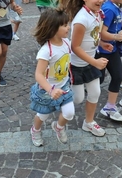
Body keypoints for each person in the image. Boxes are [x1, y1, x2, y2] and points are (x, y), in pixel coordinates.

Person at [60, 0, 108, 137]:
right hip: (76, 65)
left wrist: (101, 44)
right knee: (78, 98)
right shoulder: (81, 19)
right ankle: (58, 100)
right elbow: (75, 47)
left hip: (91, 62)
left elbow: (93, 36)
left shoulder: (97, 14)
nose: (100, 0)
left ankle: (89, 122)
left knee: (95, 92)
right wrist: (94, 61)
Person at [29, 8, 74, 146]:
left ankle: (58, 127)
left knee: (69, 113)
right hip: (47, 91)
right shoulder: (46, 51)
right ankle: (35, 130)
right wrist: (51, 89)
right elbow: (38, 74)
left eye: (68, 24)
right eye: (65, 25)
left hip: (64, 87)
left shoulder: (66, 42)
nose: (68, 27)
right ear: (53, 28)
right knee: (43, 115)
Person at [97, 0, 122, 121]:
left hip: (112, 49)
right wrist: (116, 37)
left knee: (117, 76)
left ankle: (110, 107)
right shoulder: (108, 9)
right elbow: (101, 32)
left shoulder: (116, 7)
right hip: (101, 51)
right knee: (98, 80)